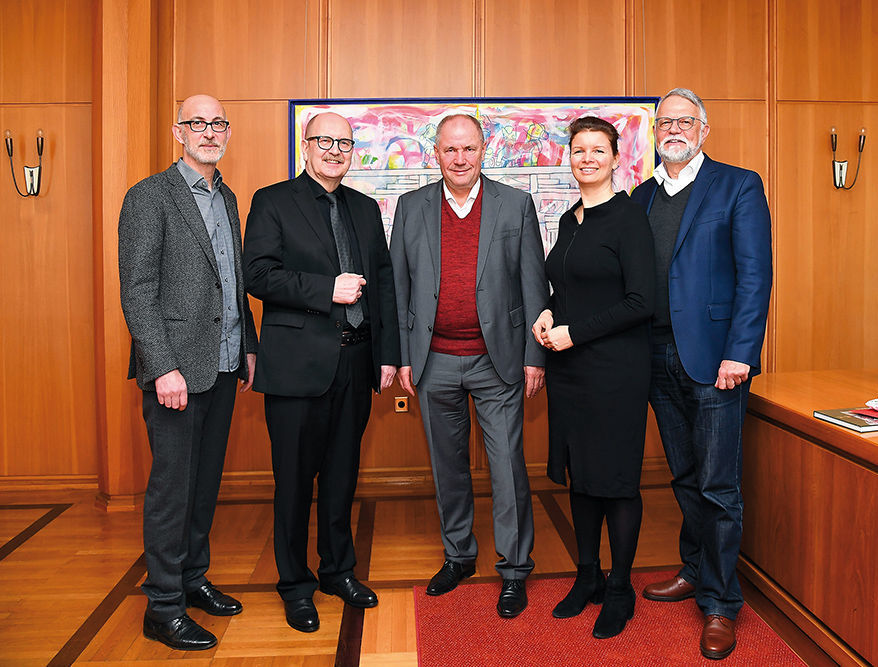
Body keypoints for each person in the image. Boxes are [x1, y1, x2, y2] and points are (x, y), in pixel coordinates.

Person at [243, 112, 400, 633]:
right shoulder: (273, 200)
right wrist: (324, 289)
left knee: (340, 478)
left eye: (344, 142)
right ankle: (295, 584)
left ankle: (338, 571)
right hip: (296, 368)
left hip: (356, 363)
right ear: (305, 146)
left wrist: (386, 353)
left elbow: (382, 282)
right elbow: (259, 274)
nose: (335, 150)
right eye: (324, 141)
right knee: (293, 482)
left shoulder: (364, 207)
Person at [631, 88, 772, 660]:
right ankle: (694, 569)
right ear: (655, 130)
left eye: (685, 121)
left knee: (718, 486)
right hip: (656, 357)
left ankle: (720, 603)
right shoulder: (640, 196)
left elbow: (755, 276)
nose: (674, 129)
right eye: (665, 120)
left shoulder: (738, 185)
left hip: (716, 362)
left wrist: (740, 352)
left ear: (704, 130)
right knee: (685, 477)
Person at [390, 114, 548, 618]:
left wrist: (533, 357)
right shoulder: (411, 207)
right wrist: (401, 358)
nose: (460, 159)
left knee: (506, 468)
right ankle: (458, 556)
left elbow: (533, 285)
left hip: (496, 361)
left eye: (470, 150)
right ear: (434, 153)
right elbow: (398, 289)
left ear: (485, 151)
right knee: (448, 467)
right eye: (450, 150)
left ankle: (515, 569)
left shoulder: (515, 204)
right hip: (433, 360)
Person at [119, 94, 257, 651]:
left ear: (227, 132)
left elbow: (233, 280)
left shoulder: (226, 198)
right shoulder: (150, 196)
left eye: (217, 123)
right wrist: (162, 367)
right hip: (176, 372)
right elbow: (138, 291)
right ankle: (163, 606)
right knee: (172, 491)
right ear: (179, 132)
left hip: (223, 365)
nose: (209, 132)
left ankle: (194, 579)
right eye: (197, 123)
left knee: (203, 487)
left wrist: (247, 344)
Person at [532, 117, 655, 638]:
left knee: (617, 482)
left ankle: (621, 588)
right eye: (578, 149)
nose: (587, 158)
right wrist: (546, 311)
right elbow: (567, 288)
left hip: (615, 373)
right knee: (581, 477)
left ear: (615, 156)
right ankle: (588, 577)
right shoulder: (569, 219)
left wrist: (574, 333)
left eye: (597, 150)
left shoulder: (628, 219)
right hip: (570, 372)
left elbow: (641, 301)